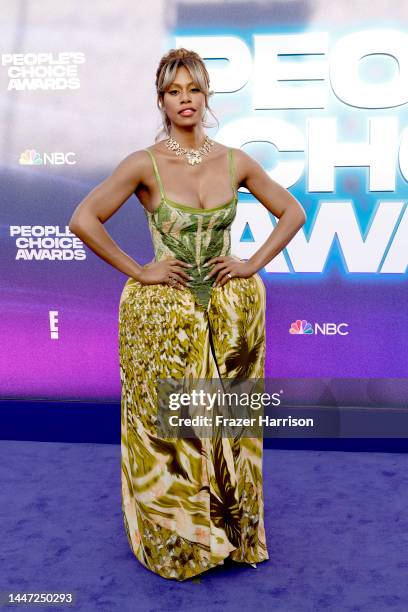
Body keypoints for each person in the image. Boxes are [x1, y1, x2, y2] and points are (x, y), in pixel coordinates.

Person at [69, 47, 306, 581]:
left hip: (231, 313)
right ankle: (180, 542)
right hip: (164, 317)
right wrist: (140, 269)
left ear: (207, 96)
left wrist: (251, 263)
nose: (185, 100)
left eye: (193, 89)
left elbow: (293, 212)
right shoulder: (144, 163)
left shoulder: (236, 159)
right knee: (169, 434)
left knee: (230, 426)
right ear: (161, 99)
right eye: (174, 91)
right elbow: (84, 219)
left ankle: (233, 533)